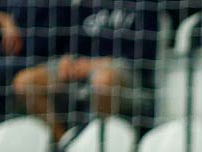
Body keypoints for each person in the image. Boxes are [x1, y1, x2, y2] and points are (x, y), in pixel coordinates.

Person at [12, 0, 160, 140]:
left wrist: (94, 64)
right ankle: (63, 145)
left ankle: (97, 149)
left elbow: (143, 56)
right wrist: (67, 59)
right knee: (26, 82)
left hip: (126, 73)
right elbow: (73, 40)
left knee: (103, 80)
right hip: (82, 69)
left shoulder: (144, 5)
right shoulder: (87, 4)